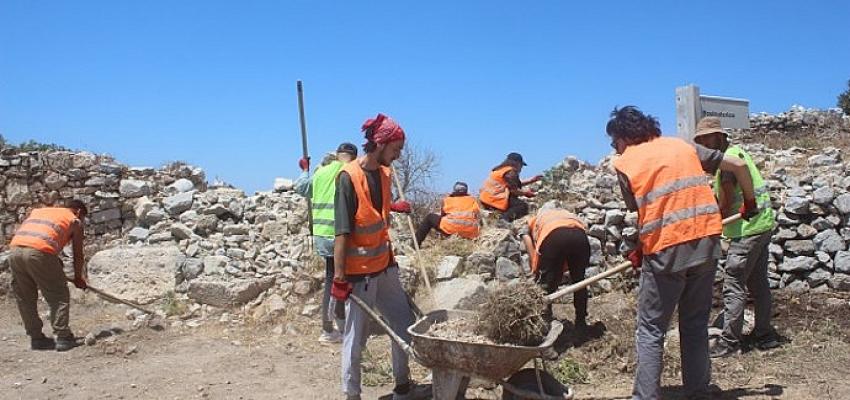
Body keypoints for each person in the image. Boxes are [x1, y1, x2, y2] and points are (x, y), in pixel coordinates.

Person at [607, 106, 758, 400]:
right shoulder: (682, 145)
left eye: (615, 141)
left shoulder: (625, 163)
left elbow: (645, 211)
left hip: (666, 252)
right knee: (694, 324)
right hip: (706, 243)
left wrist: (643, 247)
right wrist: (749, 202)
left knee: (651, 330)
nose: (614, 147)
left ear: (624, 137)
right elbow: (738, 165)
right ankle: (699, 392)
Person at [330, 113, 426, 400]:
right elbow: (342, 233)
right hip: (360, 274)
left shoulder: (384, 174)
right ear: (381, 144)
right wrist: (339, 277)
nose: (397, 156)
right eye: (395, 149)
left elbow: (375, 213)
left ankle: (402, 386)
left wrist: (395, 206)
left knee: (403, 325)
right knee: (355, 338)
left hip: (385, 266)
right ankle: (352, 394)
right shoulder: (348, 178)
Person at [692, 116, 780, 357]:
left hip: (747, 230)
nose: (702, 145)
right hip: (761, 225)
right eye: (698, 141)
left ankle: (730, 341)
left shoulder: (728, 163)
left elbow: (728, 201)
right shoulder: (738, 153)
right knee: (759, 283)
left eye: (705, 139)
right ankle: (765, 335)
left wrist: (711, 221)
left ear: (718, 137)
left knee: (733, 284)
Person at [294, 142, 359, 343]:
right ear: (354, 157)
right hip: (341, 234)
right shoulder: (351, 171)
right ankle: (331, 328)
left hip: (322, 235)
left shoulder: (321, 172)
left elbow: (302, 188)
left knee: (333, 277)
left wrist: (305, 170)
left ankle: (336, 324)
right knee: (340, 279)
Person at [8, 200, 89, 352]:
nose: (82, 221)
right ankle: (63, 337)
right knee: (58, 294)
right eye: (83, 217)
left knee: (25, 297)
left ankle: (36, 338)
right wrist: (78, 278)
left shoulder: (41, 212)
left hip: (15, 251)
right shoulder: (74, 220)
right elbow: (78, 255)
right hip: (39, 252)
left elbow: (42, 238)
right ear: (78, 212)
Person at [521, 201, 590, 328]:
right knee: (579, 280)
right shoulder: (567, 213)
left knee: (545, 285)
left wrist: (535, 267)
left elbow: (526, 237)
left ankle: (544, 322)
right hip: (579, 236)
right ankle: (581, 321)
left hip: (554, 236)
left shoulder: (534, 220)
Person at [479, 152, 541, 222]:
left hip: (485, 199)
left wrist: (531, 180)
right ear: (517, 163)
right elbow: (514, 190)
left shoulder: (500, 169)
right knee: (522, 206)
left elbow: (512, 184)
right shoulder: (511, 172)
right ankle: (503, 220)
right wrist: (526, 193)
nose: (521, 168)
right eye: (521, 165)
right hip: (493, 200)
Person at [414, 181, 480, 246]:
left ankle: (415, 244)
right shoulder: (472, 200)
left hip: (452, 230)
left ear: (454, 190)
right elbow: (477, 215)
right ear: (466, 191)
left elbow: (443, 215)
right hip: (470, 233)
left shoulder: (447, 200)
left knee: (430, 217)